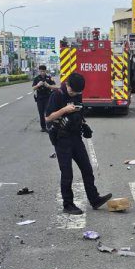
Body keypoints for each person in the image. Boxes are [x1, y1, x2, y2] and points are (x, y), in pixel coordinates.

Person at [45, 72, 112, 215]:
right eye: (72, 91)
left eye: (77, 92)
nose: (74, 94)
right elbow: (48, 118)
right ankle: (68, 204)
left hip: (75, 137)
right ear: (67, 84)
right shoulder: (57, 95)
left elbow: (79, 112)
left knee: (87, 169)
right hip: (61, 139)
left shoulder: (77, 94)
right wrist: (64, 110)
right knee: (67, 173)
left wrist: (84, 125)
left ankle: (94, 199)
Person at [32, 65, 59, 132]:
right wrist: (38, 85)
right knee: (41, 113)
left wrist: (48, 85)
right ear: (39, 71)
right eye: (41, 71)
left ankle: (49, 126)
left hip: (48, 97)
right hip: (40, 98)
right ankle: (43, 127)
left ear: (45, 71)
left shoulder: (49, 78)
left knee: (47, 112)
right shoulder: (36, 78)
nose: (42, 73)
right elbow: (33, 88)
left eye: (43, 71)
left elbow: (56, 87)